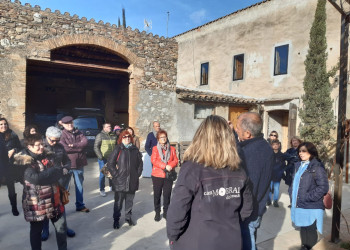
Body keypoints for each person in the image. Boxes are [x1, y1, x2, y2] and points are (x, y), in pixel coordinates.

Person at [166, 115, 253, 250]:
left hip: (197, 242)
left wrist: (173, 236)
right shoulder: (239, 170)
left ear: (200, 138)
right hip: (231, 240)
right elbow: (246, 210)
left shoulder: (191, 169)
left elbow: (177, 212)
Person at [14, 133, 67, 250]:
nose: (41, 147)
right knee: (36, 232)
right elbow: (35, 178)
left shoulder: (49, 156)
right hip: (37, 204)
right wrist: (53, 171)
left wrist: (51, 174)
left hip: (54, 200)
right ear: (29, 147)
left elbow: (59, 173)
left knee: (61, 228)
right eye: (38, 145)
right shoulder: (24, 161)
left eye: (42, 144)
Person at [235, 112, 274, 250]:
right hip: (257, 208)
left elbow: (248, 187)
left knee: (248, 243)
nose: (235, 130)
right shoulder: (264, 146)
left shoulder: (249, 153)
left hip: (248, 213)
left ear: (247, 134)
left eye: (237, 128)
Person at [289, 142, 328, 250]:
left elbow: (323, 187)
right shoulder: (299, 165)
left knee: (310, 229)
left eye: (304, 151)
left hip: (311, 206)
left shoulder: (317, 167)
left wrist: (307, 197)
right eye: (300, 151)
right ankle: (304, 246)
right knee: (303, 228)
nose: (301, 153)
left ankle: (308, 247)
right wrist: (291, 192)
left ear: (311, 152)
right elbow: (294, 183)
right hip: (300, 204)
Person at [41, 126, 75, 241]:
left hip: (58, 181)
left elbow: (67, 161)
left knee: (60, 205)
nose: (55, 142)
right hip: (44, 182)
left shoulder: (60, 147)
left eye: (57, 140)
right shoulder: (40, 147)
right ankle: (45, 229)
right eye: (52, 140)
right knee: (46, 207)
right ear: (47, 137)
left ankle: (63, 228)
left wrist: (66, 167)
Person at [107, 130, 143, 229]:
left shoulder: (135, 149)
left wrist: (137, 174)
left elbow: (140, 164)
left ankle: (128, 218)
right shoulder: (118, 149)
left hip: (132, 180)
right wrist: (116, 175)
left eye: (128, 137)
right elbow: (110, 163)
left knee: (129, 201)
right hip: (120, 181)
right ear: (121, 138)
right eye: (124, 137)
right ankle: (116, 220)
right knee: (118, 202)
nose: (127, 138)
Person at [59, 116, 90, 213]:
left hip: (79, 164)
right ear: (63, 124)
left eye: (71, 123)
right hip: (67, 165)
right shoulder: (61, 134)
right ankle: (61, 208)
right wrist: (80, 148)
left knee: (79, 186)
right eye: (67, 124)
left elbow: (85, 142)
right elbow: (65, 148)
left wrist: (75, 146)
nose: (70, 125)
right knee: (64, 188)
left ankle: (80, 206)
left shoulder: (79, 132)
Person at [151, 129, 178, 221]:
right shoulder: (155, 149)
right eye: (161, 137)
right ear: (158, 139)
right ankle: (157, 213)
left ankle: (166, 212)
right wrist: (165, 166)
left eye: (164, 137)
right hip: (157, 175)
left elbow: (176, 160)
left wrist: (170, 165)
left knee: (167, 195)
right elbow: (154, 160)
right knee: (157, 195)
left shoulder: (172, 149)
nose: (163, 139)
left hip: (168, 175)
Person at [0, 117, 21, 216]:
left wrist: (14, 150)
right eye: (1, 124)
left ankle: (14, 208)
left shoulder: (13, 135)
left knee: (11, 188)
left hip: (10, 166)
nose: (3, 126)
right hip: (0, 165)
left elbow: (20, 148)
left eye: (5, 124)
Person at [94, 123, 117, 197]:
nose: (110, 127)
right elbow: (96, 147)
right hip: (103, 158)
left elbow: (116, 145)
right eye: (108, 127)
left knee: (112, 172)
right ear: (104, 128)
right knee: (102, 174)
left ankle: (111, 186)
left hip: (112, 158)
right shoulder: (100, 135)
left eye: (110, 126)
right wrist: (100, 157)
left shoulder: (113, 135)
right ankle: (102, 189)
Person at [267, 139, 286, 208]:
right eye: (273, 145)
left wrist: (281, 172)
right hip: (270, 174)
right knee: (269, 188)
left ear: (279, 145)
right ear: (271, 146)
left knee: (276, 188)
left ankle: (275, 200)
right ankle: (268, 200)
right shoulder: (269, 154)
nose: (275, 146)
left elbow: (284, 165)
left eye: (276, 144)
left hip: (278, 175)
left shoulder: (281, 155)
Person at [284, 136, 302, 207]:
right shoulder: (289, 150)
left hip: (298, 170)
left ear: (299, 141)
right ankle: (292, 203)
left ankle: (297, 203)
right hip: (290, 170)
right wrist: (293, 157)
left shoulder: (301, 150)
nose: (295, 142)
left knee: (297, 188)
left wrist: (291, 157)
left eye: (296, 140)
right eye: (293, 140)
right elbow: (285, 156)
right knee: (290, 188)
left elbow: (299, 159)